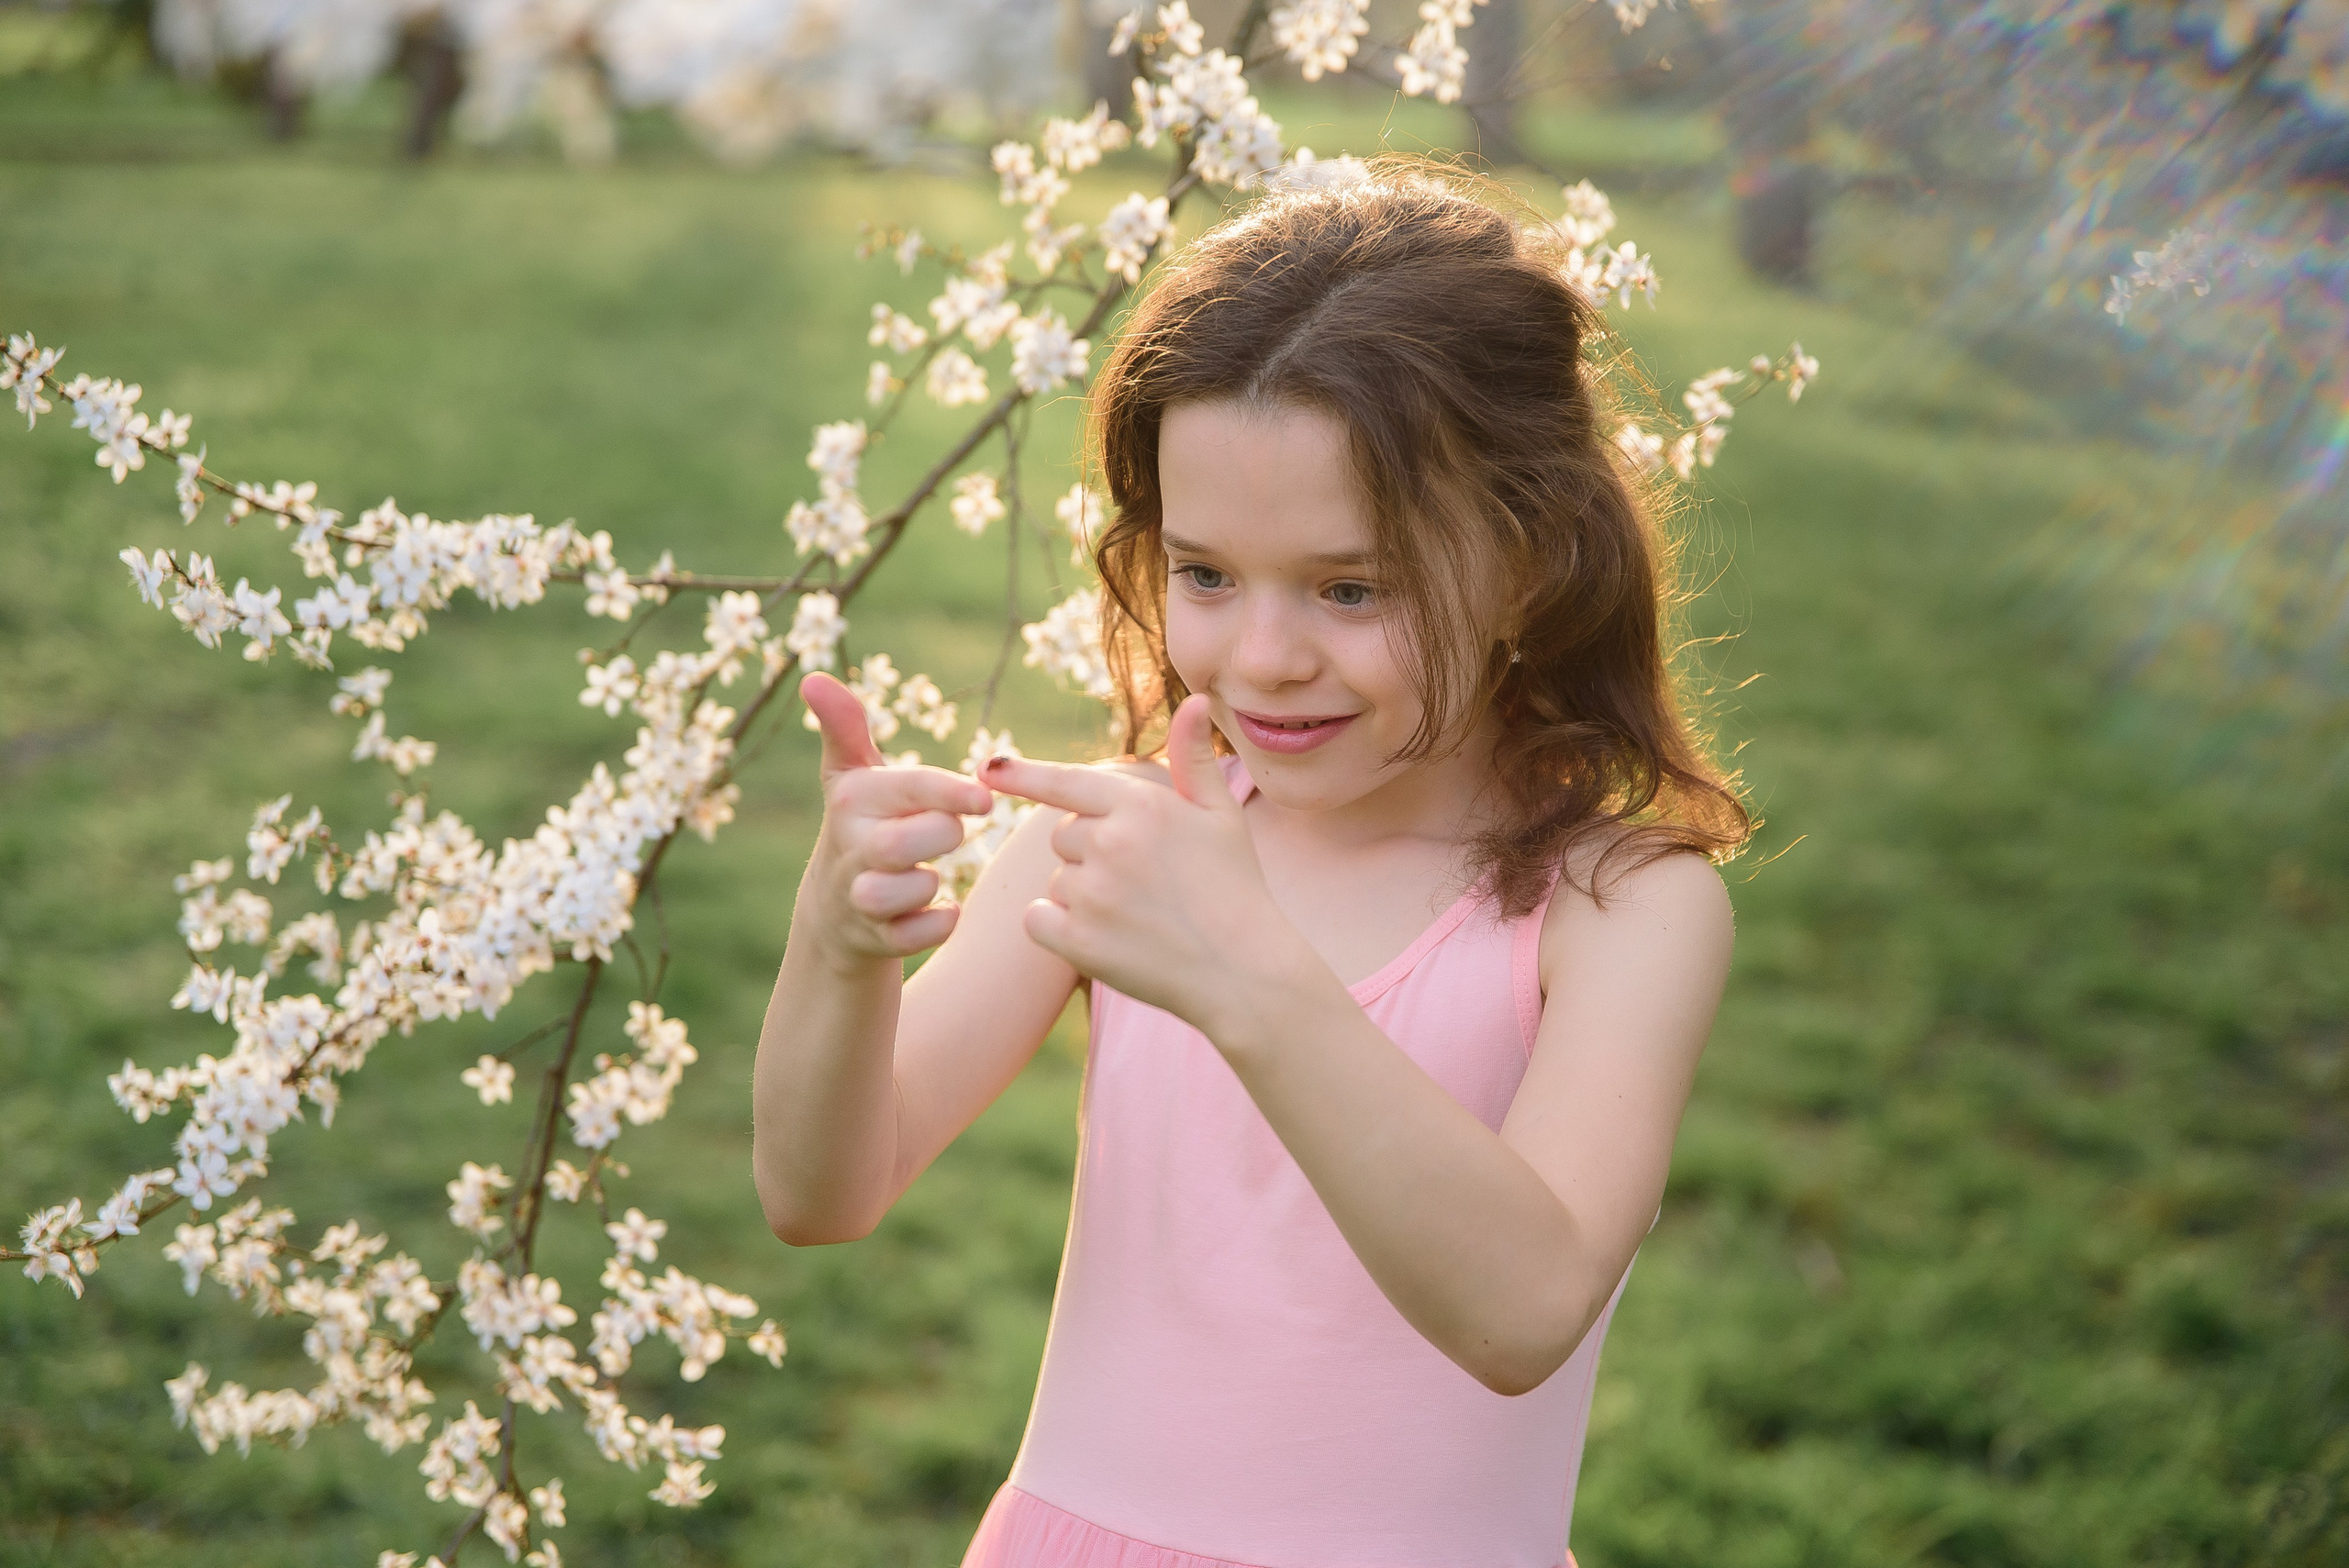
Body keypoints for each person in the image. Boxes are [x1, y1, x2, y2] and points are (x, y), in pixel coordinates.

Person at [752, 165, 1753, 1568]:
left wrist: (1245, 970)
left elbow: (1523, 1307)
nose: (1263, 656)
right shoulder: (1106, 843)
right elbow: (823, 1190)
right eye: (1207, 573)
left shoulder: (1621, 906)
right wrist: (836, 952)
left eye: (1353, 588)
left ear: (1530, 558)